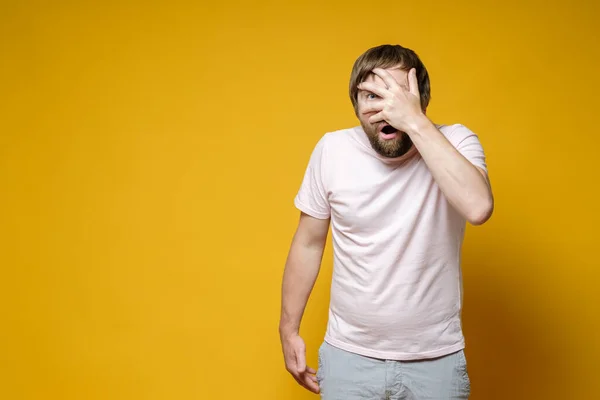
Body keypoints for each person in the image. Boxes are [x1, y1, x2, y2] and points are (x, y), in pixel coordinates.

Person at [278, 44, 494, 400]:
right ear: (355, 104)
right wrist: (288, 330)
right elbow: (308, 242)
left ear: (420, 100)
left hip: (436, 362)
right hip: (348, 358)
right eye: (371, 96)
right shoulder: (332, 150)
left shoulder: (456, 141)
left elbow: (478, 207)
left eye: (397, 95)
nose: (385, 109)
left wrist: (413, 121)